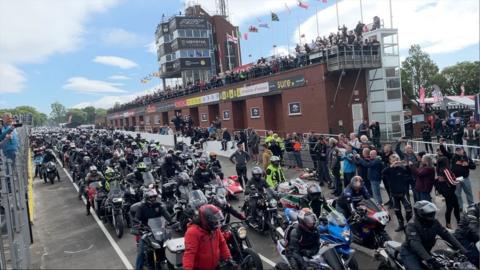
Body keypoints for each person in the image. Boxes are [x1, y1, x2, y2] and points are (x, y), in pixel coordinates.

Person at [400, 201, 468, 270]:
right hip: (410, 253)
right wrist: (429, 259)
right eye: (430, 214)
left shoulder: (434, 222)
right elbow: (416, 244)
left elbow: (447, 235)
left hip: (426, 251)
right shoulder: (412, 225)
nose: (432, 216)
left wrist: (463, 250)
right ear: (421, 214)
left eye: (433, 213)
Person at [183, 204, 233, 270]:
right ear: (206, 221)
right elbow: (190, 254)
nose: (217, 224)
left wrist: (228, 258)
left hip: (215, 266)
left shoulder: (214, 228)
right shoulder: (193, 232)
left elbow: (222, 243)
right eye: (214, 222)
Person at [134, 188, 173, 270]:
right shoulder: (141, 207)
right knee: (141, 253)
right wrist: (137, 226)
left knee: (170, 247)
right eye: (151, 197)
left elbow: (166, 214)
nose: (153, 199)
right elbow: (136, 219)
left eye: (154, 197)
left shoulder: (159, 205)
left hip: (159, 230)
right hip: (146, 231)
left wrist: (172, 221)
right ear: (146, 198)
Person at [382, 154, 413, 231]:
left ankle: (409, 224)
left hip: (403, 193)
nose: (395, 162)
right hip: (394, 193)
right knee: (397, 210)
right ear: (390, 161)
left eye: (396, 160)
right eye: (393, 160)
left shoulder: (401, 168)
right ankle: (401, 224)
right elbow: (383, 172)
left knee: (408, 209)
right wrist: (390, 166)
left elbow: (409, 172)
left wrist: (407, 165)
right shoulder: (389, 169)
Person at [435, 156, 461, 229]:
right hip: (449, 191)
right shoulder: (445, 170)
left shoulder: (438, 169)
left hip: (445, 191)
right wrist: (458, 181)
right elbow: (452, 181)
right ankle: (449, 224)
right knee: (450, 208)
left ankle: (455, 223)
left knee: (455, 206)